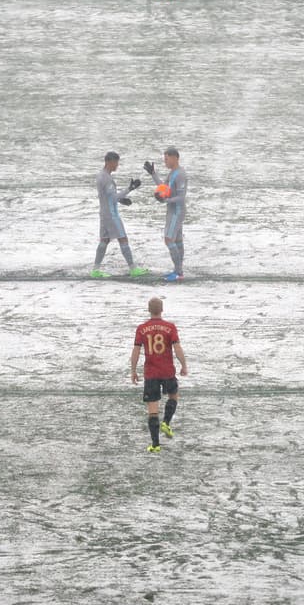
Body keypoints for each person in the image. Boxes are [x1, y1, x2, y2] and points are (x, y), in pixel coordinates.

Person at [130, 297, 187, 452]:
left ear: (149, 310)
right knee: (173, 396)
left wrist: (133, 370)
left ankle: (155, 445)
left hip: (151, 373)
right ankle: (166, 423)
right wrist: (183, 365)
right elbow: (177, 348)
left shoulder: (141, 328)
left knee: (152, 410)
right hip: (167, 371)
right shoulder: (170, 327)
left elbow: (136, 351)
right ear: (162, 309)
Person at [93, 152, 149, 279]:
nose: (117, 165)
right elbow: (113, 198)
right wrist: (130, 188)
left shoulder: (101, 175)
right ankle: (133, 269)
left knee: (104, 240)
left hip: (104, 214)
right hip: (111, 215)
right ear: (109, 162)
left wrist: (121, 200)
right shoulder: (106, 178)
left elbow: (107, 197)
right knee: (123, 238)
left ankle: (95, 270)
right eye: (116, 162)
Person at [142, 148, 188, 282]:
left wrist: (165, 200)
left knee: (169, 239)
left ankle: (179, 272)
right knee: (177, 241)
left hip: (177, 212)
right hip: (172, 211)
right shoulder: (172, 173)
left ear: (175, 158)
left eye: (166, 159)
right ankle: (178, 271)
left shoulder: (180, 174)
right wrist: (153, 174)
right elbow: (164, 188)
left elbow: (181, 197)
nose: (165, 162)